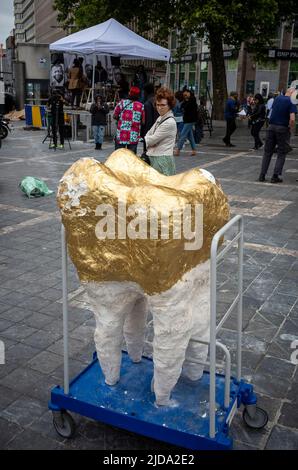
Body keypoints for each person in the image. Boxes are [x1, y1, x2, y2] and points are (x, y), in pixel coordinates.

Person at [258, 87, 297, 183]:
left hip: (271, 127)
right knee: (281, 153)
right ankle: (275, 176)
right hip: (282, 129)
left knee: (267, 152)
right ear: (293, 93)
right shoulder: (292, 102)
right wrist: (290, 127)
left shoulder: (277, 98)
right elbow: (292, 119)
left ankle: (262, 175)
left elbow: (272, 112)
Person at [144, 87, 177, 175]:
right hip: (155, 158)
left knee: (164, 187)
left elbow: (151, 140)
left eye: (163, 105)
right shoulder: (160, 118)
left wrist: (149, 140)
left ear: (169, 105)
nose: (159, 108)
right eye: (158, 105)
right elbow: (148, 133)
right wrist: (150, 139)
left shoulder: (169, 122)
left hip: (163, 160)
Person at [113, 86, 144, 153]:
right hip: (133, 136)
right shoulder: (141, 106)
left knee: (118, 156)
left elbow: (114, 116)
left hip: (121, 135)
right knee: (131, 158)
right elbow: (143, 121)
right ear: (138, 95)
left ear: (129, 93)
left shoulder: (121, 103)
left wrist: (121, 119)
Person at [174, 89, 198, 156]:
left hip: (190, 120)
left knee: (183, 134)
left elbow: (186, 107)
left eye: (186, 94)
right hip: (186, 120)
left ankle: (178, 150)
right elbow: (181, 107)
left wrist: (186, 101)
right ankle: (194, 150)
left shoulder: (192, 99)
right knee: (190, 136)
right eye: (184, 95)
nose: (185, 96)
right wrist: (185, 101)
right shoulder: (186, 100)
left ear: (188, 93)